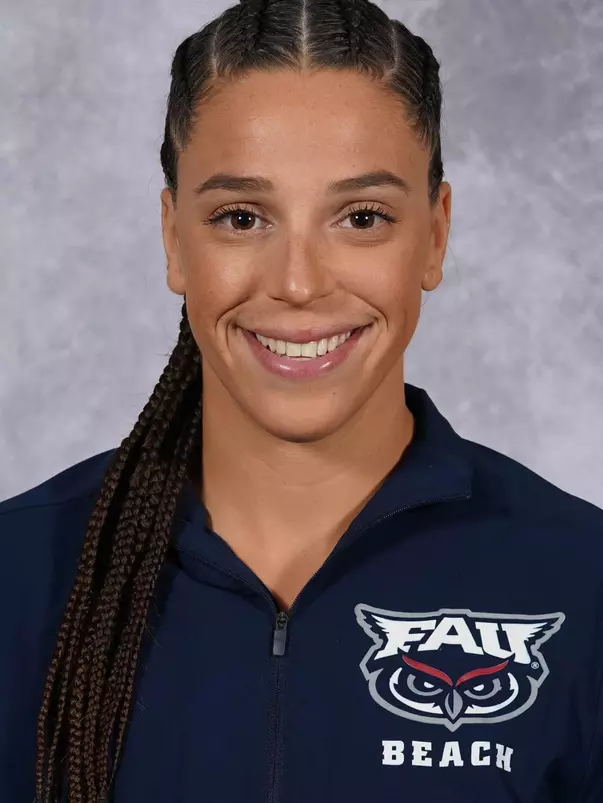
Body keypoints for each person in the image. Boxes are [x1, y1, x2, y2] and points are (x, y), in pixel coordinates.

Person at [1, 0, 602, 800]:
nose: (297, 282)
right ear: (174, 237)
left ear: (434, 235)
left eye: (361, 217)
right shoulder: (19, 572)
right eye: (241, 217)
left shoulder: (579, 580)